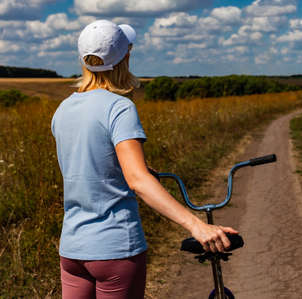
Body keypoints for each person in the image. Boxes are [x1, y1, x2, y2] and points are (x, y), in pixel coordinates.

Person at [51, 20, 238, 299]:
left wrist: (119, 168)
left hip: (72, 251)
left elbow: (85, 167)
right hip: (114, 249)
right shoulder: (119, 107)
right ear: (125, 57)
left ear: (84, 60)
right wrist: (196, 225)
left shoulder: (63, 109)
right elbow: (138, 180)